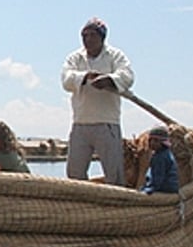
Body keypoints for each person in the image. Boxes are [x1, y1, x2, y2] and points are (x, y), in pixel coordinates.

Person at [60, 17, 134, 185]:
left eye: (92, 35)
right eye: (84, 35)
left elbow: (127, 76)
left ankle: (116, 205)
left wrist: (109, 80)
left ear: (102, 37)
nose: (88, 39)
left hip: (107, 123)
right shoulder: (75, 58)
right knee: (75, 173)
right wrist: (85, 77)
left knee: (113, 173)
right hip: (81, 123)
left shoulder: (115, 56)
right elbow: (66, 79)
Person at [141, 126, 180, 194]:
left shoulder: (161, 157)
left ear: (162, 142)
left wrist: (150, 190)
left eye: (155, 140)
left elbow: (158, 178)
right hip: (168, 187)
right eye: (150, 140)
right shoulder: (162, 154)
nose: (152, 143)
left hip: (165, 188)